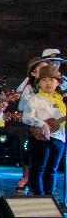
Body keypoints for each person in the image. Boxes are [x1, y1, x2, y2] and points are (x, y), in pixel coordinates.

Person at [22, 66, 65, 197]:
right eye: (44, 80)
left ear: (58, 83)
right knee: (38, 169)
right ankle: (39, 197)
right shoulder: (35, 99)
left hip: (59, 138)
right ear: (39, 83)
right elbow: (26, 117)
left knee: (52, 170)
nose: (48, 83)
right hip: (39, 138)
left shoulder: (63, 100)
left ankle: (50, 197)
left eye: (51, 80)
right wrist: (41, 123)